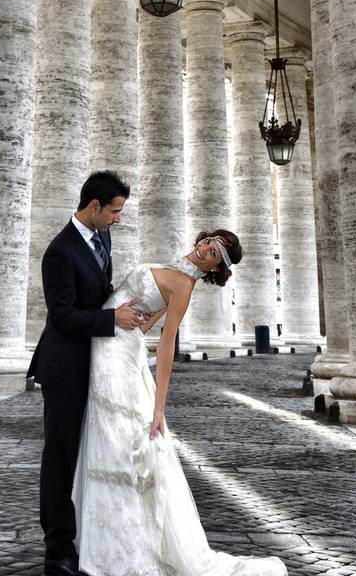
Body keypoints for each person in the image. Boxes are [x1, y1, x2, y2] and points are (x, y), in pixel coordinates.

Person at [72, 230, 288, 575]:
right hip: (108, 340)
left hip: (117, 355)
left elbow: (167, 344)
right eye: (209, 242)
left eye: (215, 254)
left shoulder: (185, 287)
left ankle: (120, 548)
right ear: (203, 239)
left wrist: (159, 409)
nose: (206, 250)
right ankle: (96, 538)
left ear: (217, 267)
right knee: (103, 435)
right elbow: (144, 325)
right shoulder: (170, 265)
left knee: (117, 438)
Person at [28, 171, 148, 576]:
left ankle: (84, 537)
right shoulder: (58, 252)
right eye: (114, 211)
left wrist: (128, 306)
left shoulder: (102, 237)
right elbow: (61, 317)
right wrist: (112, 318)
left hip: (96, 363)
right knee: (60, 458)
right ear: (94, 206)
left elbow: (100, 292)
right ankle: (57, 550)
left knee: (86, 454)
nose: (118, 219)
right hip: (64, 367)